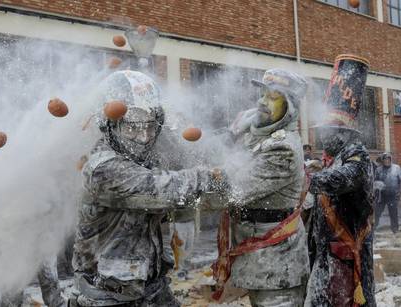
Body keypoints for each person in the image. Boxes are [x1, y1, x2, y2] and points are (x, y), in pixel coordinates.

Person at [71, 71, 225, 307]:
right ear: (110, 125)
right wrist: (208, 176)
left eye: (150, 127)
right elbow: (159, 191)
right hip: (107, 295)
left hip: (149, 287)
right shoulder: (103, 168)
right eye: (132, 127)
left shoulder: (144, 162)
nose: (143, 138)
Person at [212, 69, 310, 306]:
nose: (262, 102)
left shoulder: (282, 148)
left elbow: (232, 191)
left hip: (276, 264)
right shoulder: (259, 133)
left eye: (273, 97)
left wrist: (175, 189)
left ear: (290, 109)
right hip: (258, 255)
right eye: (263, 94)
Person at [305, 54, 375, 307]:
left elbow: (343, 178)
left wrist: (308, 179)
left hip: (346, 255)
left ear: (342, 133)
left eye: (327, 132)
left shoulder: (357, 154)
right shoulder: (331, 158)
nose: (322, 137)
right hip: (326, 253)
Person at [374, 152, 401, 234]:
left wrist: (400, 193)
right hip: (381, 195)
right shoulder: (378, 169)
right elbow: (375, 181)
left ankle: (395, 229)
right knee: (377, 212)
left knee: (393, 212)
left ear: (390, 159)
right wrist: (377, 187)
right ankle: (374, 227)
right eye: (385, 159)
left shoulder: (396, 168)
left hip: (393, 194)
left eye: (388, 159)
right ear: (382, 160)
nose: (387, 161)